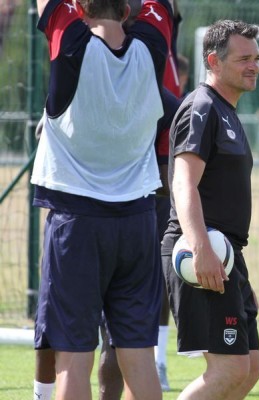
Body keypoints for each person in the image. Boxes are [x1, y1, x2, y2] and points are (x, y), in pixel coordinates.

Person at [31, 0, 174, 398]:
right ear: (128, 11)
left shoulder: (72, 45)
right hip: (138, 222)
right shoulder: (152, 45)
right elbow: (158, 6)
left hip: (76, 223)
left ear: (78, 8)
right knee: (140, 359)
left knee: (73, 360)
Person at [161, 19, 259, 399]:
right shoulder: (202, 107)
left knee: (247, 368)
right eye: (243, 59)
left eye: (257, 58)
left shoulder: (228, 111)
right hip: (201, 251)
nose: (253, 66)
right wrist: (200, 245)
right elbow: (182, 182)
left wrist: (240, 279)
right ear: (213, 61)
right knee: (228, 368)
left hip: (227, 255)